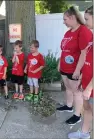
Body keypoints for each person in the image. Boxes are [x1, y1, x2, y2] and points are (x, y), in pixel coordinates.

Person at [57, 6, 93, 125]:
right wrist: (59, 63)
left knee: (76, 91)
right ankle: (68, 106)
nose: (63, 22)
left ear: (72, 18)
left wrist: (77, 70)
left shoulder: (83, 31)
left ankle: (77, 115)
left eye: (65, 19)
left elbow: (84, 53)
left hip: (74, 69)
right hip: (64, 67)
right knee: (68, 88)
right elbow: (64, 50)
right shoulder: (68, 32)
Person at [68, 6, 93, 139]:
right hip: (87, 82)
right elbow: (89, 63)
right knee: (87, 110)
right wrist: (82, 79)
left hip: (91, 87)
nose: (85, 21)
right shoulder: (92, 41)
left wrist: (89, 88)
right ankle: (84, 133)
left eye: (87, 19)